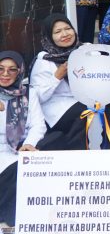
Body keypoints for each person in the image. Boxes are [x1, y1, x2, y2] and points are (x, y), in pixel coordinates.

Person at [0, 51, 46, 227]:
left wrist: (29, 144)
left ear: (20, 72)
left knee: (22, 167)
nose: (5, 74)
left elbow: (38, 125)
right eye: (1, 69)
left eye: (12, 70)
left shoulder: (28, 93)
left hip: (15, 148)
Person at [30, 14, 86, 151]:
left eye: (68, 28)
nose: (65, 34)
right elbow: (38, 97)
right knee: (87, 112)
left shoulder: (85, 51)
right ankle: (78, 154)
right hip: (58, 109)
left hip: (85, 100)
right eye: (57, 32)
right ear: (49, 36)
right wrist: (57, 76)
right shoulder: (44, 61)